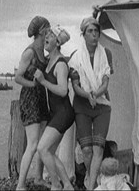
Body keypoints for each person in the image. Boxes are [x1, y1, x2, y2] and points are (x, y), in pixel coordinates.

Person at [68, 16, 114, 190]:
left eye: (96, 31)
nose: (94, 35)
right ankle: (90, 176)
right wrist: (88, 96)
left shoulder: (106, 53)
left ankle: (91, 186)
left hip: (102, 105)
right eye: (90, 31)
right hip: (82, 106)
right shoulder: (75, 57)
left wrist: (96, 94)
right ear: (83, 34)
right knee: (86, 150)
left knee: (98, 148)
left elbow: (105, 82)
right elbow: (75, 85)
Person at [34, 25, 75, 190]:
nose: (46, 38)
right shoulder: (49, 60)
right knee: (49, 151)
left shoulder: (60, 64)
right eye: (45, 36)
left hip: (64, 113)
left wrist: (44, 81)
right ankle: (67, 185)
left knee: (42, 149)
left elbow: (63, 90)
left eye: (50, 36)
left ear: (57, 42)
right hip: (57, 113)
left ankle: (56, 185)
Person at [15, 16, 51, 190]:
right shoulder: (29, 52)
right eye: (48, 28)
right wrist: (34, 84)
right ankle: (20, 185)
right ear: (41, 30)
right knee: (33, 143)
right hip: (30, 97)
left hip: (41, 97)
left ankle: (38, 177)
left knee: (43, 141)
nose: (50, 31)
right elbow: (17, 77)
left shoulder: (44, 51)